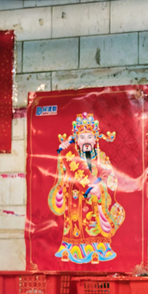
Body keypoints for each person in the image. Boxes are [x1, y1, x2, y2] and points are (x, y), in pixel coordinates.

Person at [48, 112, 125, 264]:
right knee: (75, 225)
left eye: (89, 136)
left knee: (93, 226)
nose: (86, 141)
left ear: (95, 139)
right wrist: (63, 156)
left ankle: (97, 248)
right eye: (82, 137)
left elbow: (110, 177)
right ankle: (71, 248)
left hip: (94, 202)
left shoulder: (101, 157)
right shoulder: (71, 157)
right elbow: (62, 177)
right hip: (75, 201)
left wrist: (100, 188)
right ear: (76, 140)